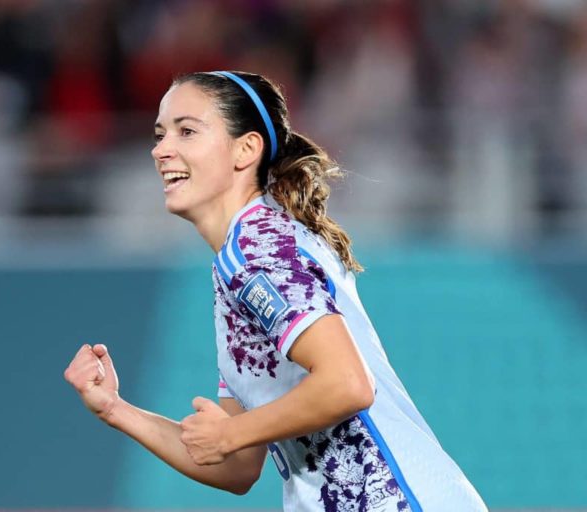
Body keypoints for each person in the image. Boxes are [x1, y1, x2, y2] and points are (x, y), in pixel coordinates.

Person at [64, 71, 488, 511]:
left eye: (186, 131)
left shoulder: (257, 248)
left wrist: (229, 434)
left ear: (245, 149)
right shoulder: (240, 258)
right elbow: (238, 466)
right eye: (160, 134)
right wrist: (115, 409)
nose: (161, 149)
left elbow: (347, 383)